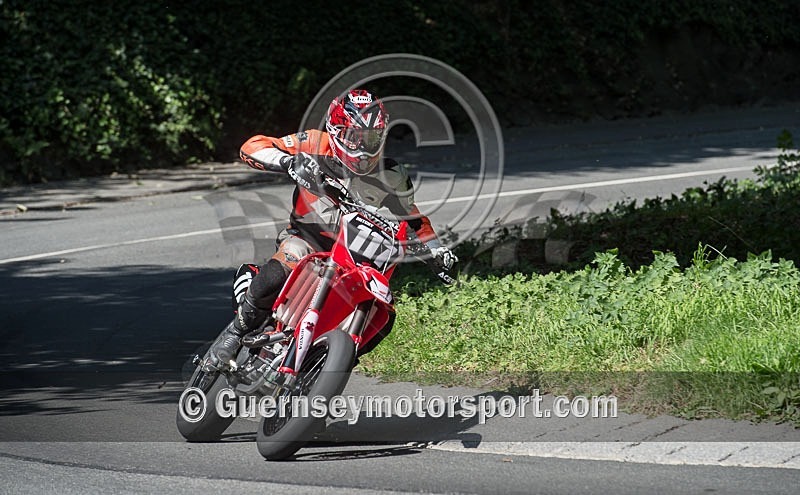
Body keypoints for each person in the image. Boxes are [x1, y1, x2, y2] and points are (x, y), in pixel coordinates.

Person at [204, 89, 457, 370]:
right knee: (281, 268)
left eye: (370, 139)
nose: (362, 148)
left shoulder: (392, 175)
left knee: (384, 316)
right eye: (353, 137)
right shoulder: (314, 142)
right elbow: (252, 146)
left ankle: (324, 370)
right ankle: (235, 332)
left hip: (357, 257)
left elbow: (414, 221)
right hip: (309, 239)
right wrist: (290, 162)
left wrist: (436, 251)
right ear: (336, 131)